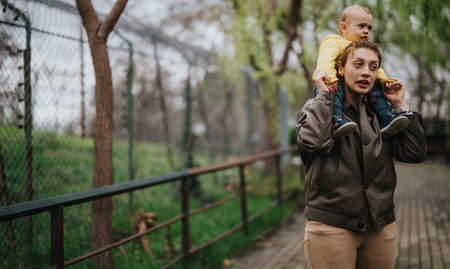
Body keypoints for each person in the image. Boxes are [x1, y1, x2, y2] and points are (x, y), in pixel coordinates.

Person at [296, 40, 427, 269]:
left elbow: (414, 153)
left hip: (380, 226)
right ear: (341, 69)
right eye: (358, 64)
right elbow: (314, 143)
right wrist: (325, 96)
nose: (366, 72)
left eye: (373, 66)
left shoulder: (383, 115)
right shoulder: (317, 107)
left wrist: (399, 105)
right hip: (331, 226)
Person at [313, 5, 409, 138]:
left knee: (377, 91)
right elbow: (325, 60)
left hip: (351, 83)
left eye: (369, 28)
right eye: (361, 26)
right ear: (344, 28)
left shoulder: (365, 51)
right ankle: (336, 120)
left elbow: (378, 70)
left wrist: (385, 81)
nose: (366, 31)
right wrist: (330, 79)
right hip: (332, 83)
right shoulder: (334, 42)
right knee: (336, 93)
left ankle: (385, 117)